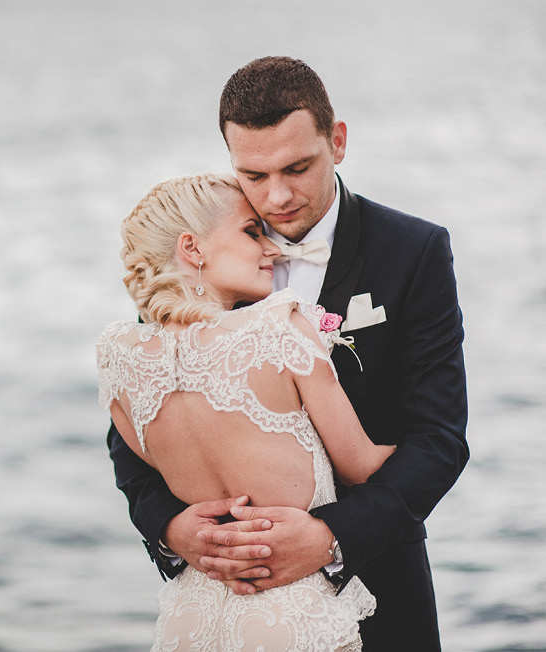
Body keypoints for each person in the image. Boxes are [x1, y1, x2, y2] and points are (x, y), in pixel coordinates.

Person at [106, 56, 468, 651]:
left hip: (379, 580)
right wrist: (173, 528)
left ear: (338, 142)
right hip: (227, 596)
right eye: (252, 175)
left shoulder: (413, 250)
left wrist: (331, 538)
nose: (276, 196)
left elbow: (439, 439)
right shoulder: (190, 263)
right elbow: (137, 429)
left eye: (297, 168)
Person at [97, 173, 394, 651]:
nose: (271, 248)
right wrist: (424, 439)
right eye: (252, 232)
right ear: (192, 248)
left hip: (189, 622)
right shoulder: (279, 329)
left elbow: (147, 465)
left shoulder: (118, 357)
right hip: (290, 621)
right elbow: (360, 468)